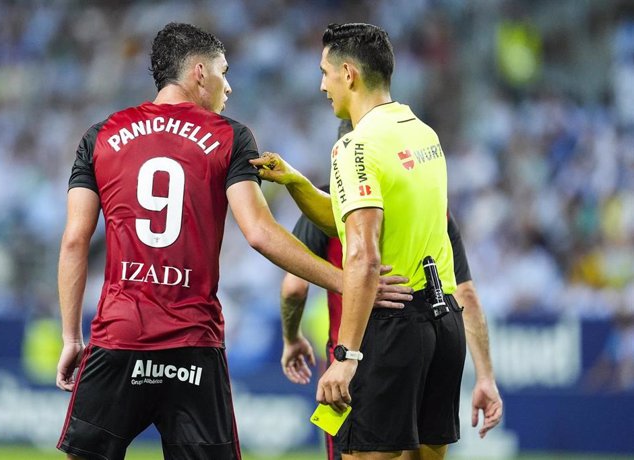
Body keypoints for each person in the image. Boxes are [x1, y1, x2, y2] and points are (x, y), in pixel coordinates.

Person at [55, 22, 411, 460]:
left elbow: (75, 241)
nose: (230, 85)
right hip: (191, 341)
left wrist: (71, 336)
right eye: (224, 71)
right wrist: (350, 283)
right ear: (199, 72)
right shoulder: (229, 136)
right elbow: (260, 234)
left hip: (118, 334)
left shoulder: (100, 135)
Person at [252, 22, 470, 459]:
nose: (321, 85)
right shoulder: (423, 134)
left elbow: (365, 257)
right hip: (445, 325)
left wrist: (346, 354)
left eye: (325, 72)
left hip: (392, 329)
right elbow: (345, 221)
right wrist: (296, 182)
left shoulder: (355, 147)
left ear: (348, 74)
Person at [280, 122, 502, 460]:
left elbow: (294, 288)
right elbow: (465, 293)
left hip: (356, 354)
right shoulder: (430, 207)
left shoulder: (327, 202)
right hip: (426, 346)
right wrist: (485, 376)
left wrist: (291, 337)